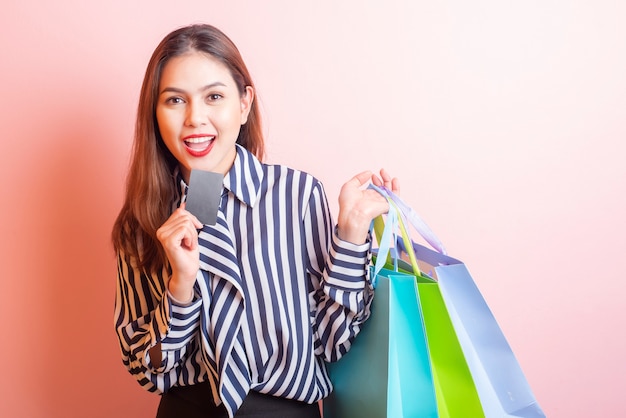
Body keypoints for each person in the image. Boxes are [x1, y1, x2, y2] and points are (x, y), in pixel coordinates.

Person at [112, 23, 399, 418]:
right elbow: (149, 372)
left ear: (244, 104)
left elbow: (331, 342)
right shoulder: (142, 222)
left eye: (214, 96)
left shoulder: (298, 196)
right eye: (175, 100)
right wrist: (180, 287)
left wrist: (350, 236)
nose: (196, 118)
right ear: (155, 113)